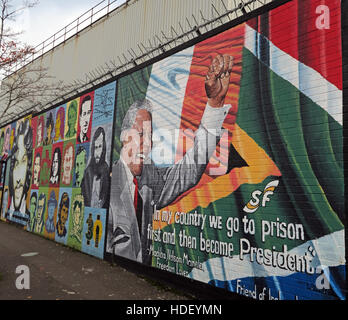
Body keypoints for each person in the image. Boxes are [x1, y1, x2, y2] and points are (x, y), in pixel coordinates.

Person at [107, 54, 234, 265]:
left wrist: (215, 103)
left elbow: (189, 171)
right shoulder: (108, 181)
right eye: (140, 134)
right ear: (123, 136)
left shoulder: (150, 178)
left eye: (149, 136)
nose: (146, 144)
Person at [8, 119, 33, 224]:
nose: (18, 179)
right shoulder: (8, 212)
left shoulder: (28, 218)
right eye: (16, 163)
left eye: (23, 161)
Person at [81, 127, 110, 209]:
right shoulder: (87, 172)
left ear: (103, 147)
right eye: (95, 147)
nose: (97, 152)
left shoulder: (106, 171)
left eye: (100, 147)